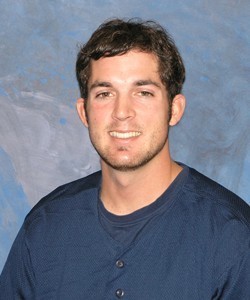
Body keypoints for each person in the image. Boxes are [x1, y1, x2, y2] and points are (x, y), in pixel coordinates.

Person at [0, 18, 249, 299]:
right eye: (105, 94)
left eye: (143, 93)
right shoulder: (46, 226)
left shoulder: (232, 234)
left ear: (175, 109)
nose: (122, 112)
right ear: (84, 112)